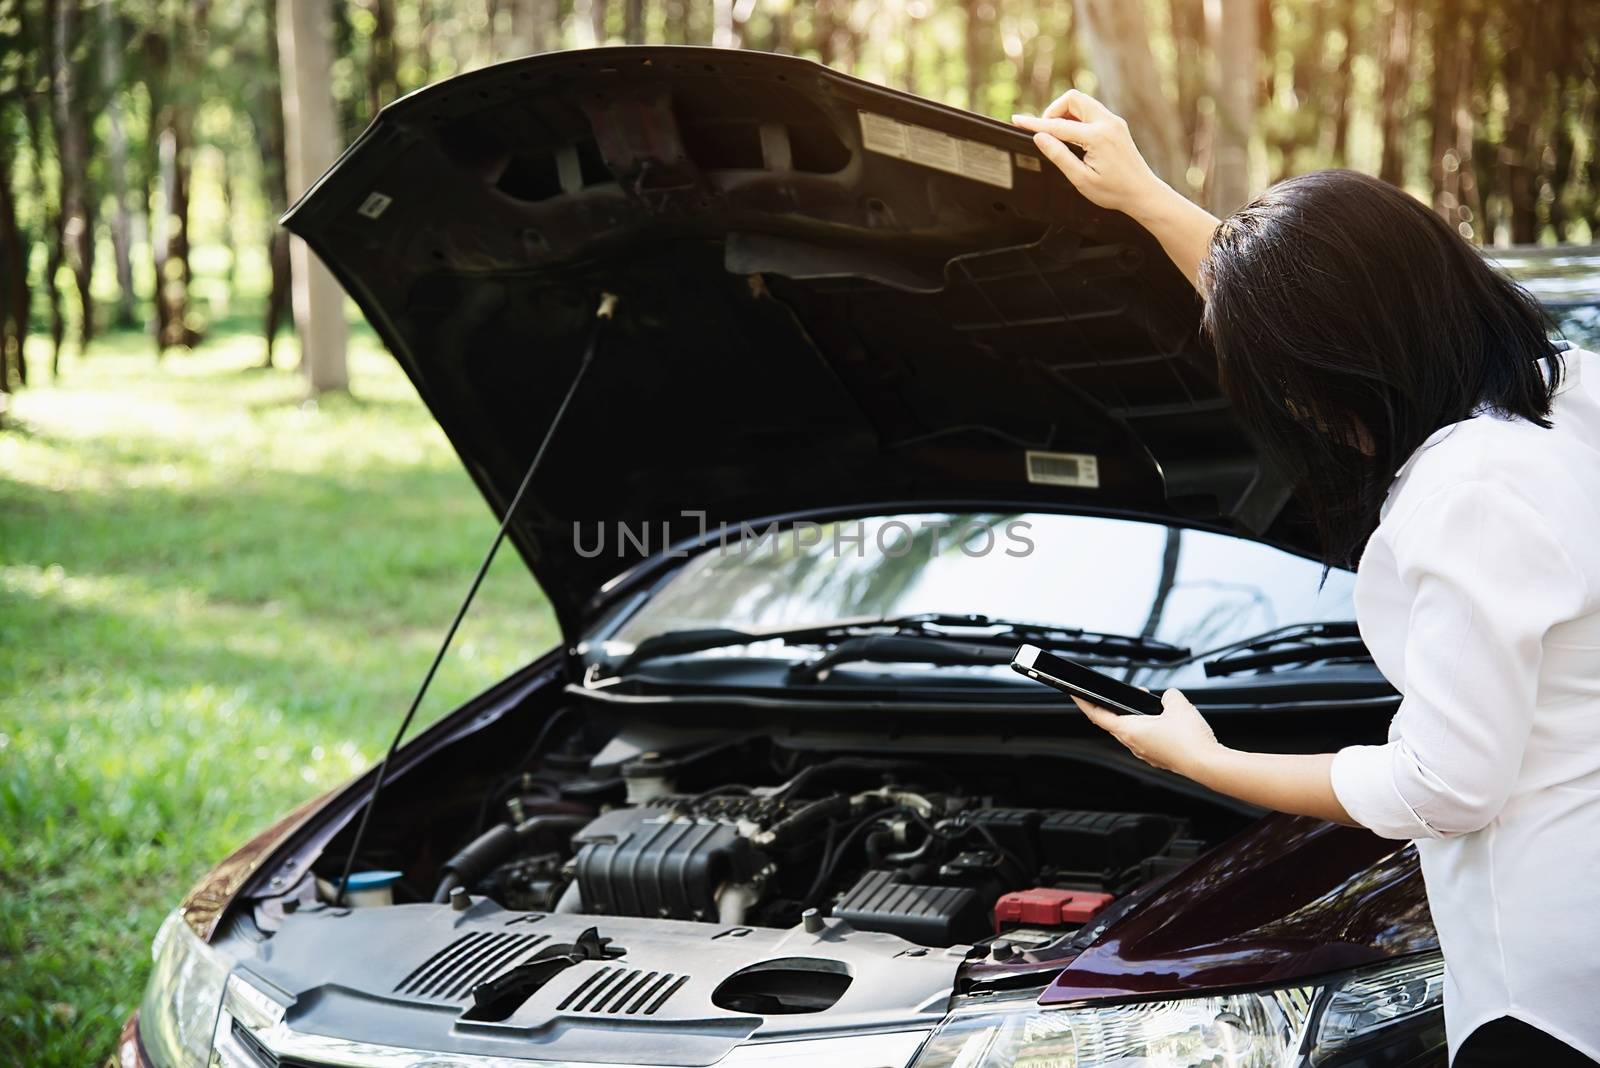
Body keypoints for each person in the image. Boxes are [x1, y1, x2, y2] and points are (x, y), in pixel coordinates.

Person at [1012, 92, 1600, 1068]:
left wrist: (1195, 759)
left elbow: (1445, 786)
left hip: (1535, 995)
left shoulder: (1466, 493)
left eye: (1278, 379)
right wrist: (1150, 200)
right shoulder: (1564, 393)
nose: (1286, 406)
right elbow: (1347, 303)